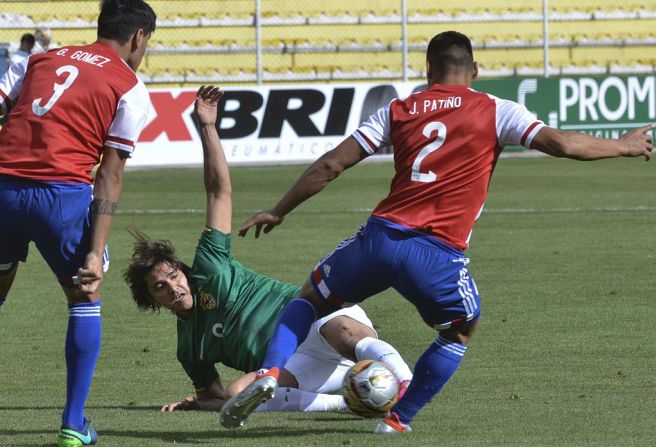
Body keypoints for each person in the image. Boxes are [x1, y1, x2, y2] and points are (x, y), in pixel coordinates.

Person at [228, 30, 654, 434]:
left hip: (379, 239)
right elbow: (562, 145)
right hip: (436, 253)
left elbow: (330, 165)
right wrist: (623, 145)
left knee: (310, 298)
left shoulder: (398, 110)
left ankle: (268, 373)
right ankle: (397, 419)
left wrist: (279, 209)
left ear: (428, 70)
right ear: (474, 70)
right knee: (460, 328)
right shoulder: (495, 108)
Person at [122, 86, 413, 422]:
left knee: (344, 332)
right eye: (159, 287)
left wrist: (207, 128)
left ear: (184, 272)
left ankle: (404, 380)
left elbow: (219, 192)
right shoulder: (188, 348)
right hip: (294, 366)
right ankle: (350, 403)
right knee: (240, 394)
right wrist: (198, 403)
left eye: (174, 276)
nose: (174, 287)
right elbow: (216, 396)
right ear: (151, 301)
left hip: (316, 320)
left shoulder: (209, 268)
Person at [0, 1, 156, 446]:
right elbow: (109, 173)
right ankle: (73, 423)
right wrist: (94, 251)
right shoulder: (130, 86)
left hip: (3, 188)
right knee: (84, 295)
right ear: (139, 38)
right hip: (62, 197)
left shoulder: (35, 60)